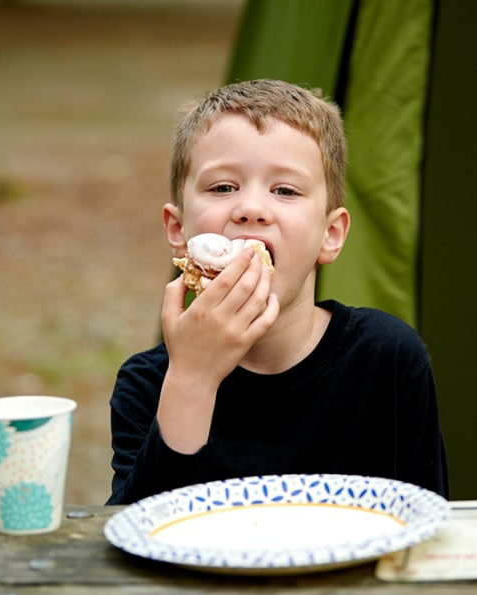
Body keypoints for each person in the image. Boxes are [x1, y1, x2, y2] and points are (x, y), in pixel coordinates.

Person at [107, 79, 448, 504]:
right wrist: (192, 380)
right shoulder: (149, 383)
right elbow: (140, 536)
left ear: (331, 234)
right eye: (222, 188)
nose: (251, 208)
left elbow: (426, 520)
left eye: (285, 190)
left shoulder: (387, 359)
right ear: (178, 231)